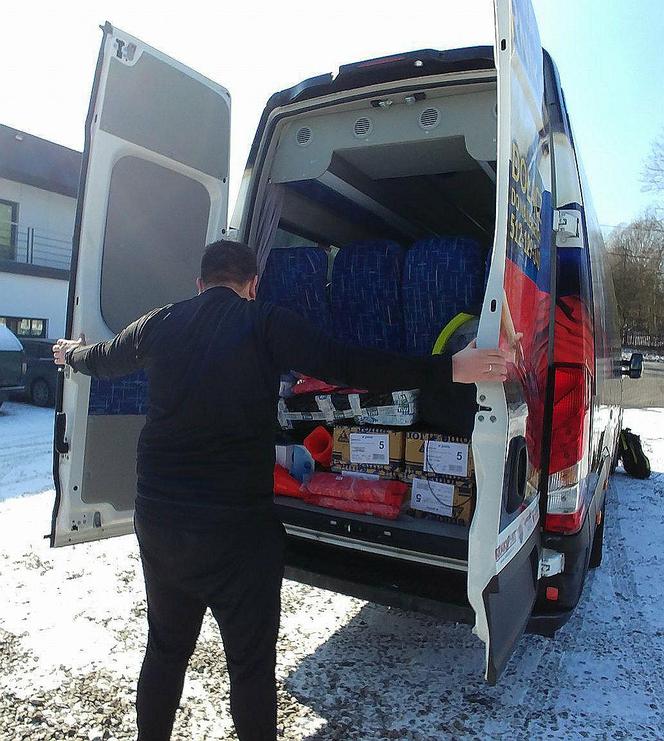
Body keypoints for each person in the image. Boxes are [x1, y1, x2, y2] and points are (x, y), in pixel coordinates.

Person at [53, 240, 510, 741]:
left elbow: (103, 358)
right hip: (235, 530)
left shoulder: (160, 323)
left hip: (160, 521)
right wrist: (448, 368)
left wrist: (68, 353)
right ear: (252, 285)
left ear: (199, 283)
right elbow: (348, 364)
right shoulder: (266, 321)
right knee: (249, 668)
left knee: (165, 648)